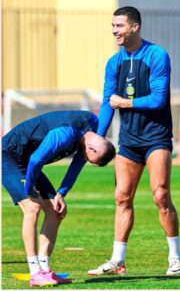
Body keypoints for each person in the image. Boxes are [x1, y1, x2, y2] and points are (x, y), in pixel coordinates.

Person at [88, 6, 180, 276]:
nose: (114, 30)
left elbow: (158, 99)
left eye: (119, 25)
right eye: (112, 26)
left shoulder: (157, 55)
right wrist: (99, 136)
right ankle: (117, 260)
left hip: (156, 138)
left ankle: (174, 258)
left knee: (161, 195)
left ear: (135, 26)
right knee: (122, 197)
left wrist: (125, 102)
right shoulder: (113, 62)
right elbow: (108, 102)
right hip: (128, 140)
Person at [2, 110, 116, 287]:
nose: (87, 161)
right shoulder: (64, 134)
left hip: (27, 161)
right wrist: (29, 189)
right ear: (93, 148)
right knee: (32, 207)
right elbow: (36, 160)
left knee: (56, 210)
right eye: (90, 159)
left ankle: (45, 270)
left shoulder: (91, 128)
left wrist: (61, 194)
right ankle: (35, 272)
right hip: (8, 155)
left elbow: (76, 165)